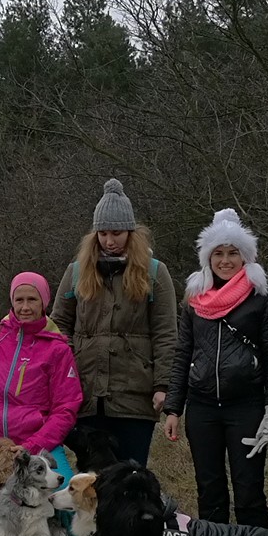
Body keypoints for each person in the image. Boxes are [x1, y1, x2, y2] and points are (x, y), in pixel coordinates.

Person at [161, 209, 268, 529]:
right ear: (208, 257)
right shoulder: (194, 298)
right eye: (218, 253)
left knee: (249, 492)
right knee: (210, 489)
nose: (226, 260)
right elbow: (182, 353)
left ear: (245, 256)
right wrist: (174, 408)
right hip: (202, 407)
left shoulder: (263, 298)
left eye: (233, 253)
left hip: (246, 406)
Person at [51, 178, 178, 467]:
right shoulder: (76, 272)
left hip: (134, 396)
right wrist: (68, 369)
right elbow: (59, 326)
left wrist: (163, 386)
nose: (110, 241)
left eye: (117, 233)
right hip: (86, 394)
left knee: (130, 476)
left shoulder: (155, 273)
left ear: (131, 232)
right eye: (103, 233)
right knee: (90, 482)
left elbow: (166, 333)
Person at [0, 274, 83, 483]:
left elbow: (65, 408)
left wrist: (31, 446)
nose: (25, 307)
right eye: (19, 300)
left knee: (63, 494)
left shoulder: (58, 350)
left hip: (33, 450)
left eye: (32, 299)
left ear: (44, 302)